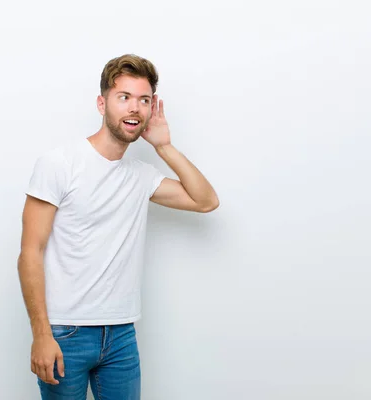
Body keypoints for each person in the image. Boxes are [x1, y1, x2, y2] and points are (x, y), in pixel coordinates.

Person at [17, 54, 219, 400]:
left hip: (122, 334)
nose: (134, 109)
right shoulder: (60, 164)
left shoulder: (141, 176)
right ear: (102, 103)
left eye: (143, 100)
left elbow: (205, 201)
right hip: (66, 332)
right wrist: (41, 334)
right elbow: (30, 252)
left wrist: (164, 146)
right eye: (124, 97)